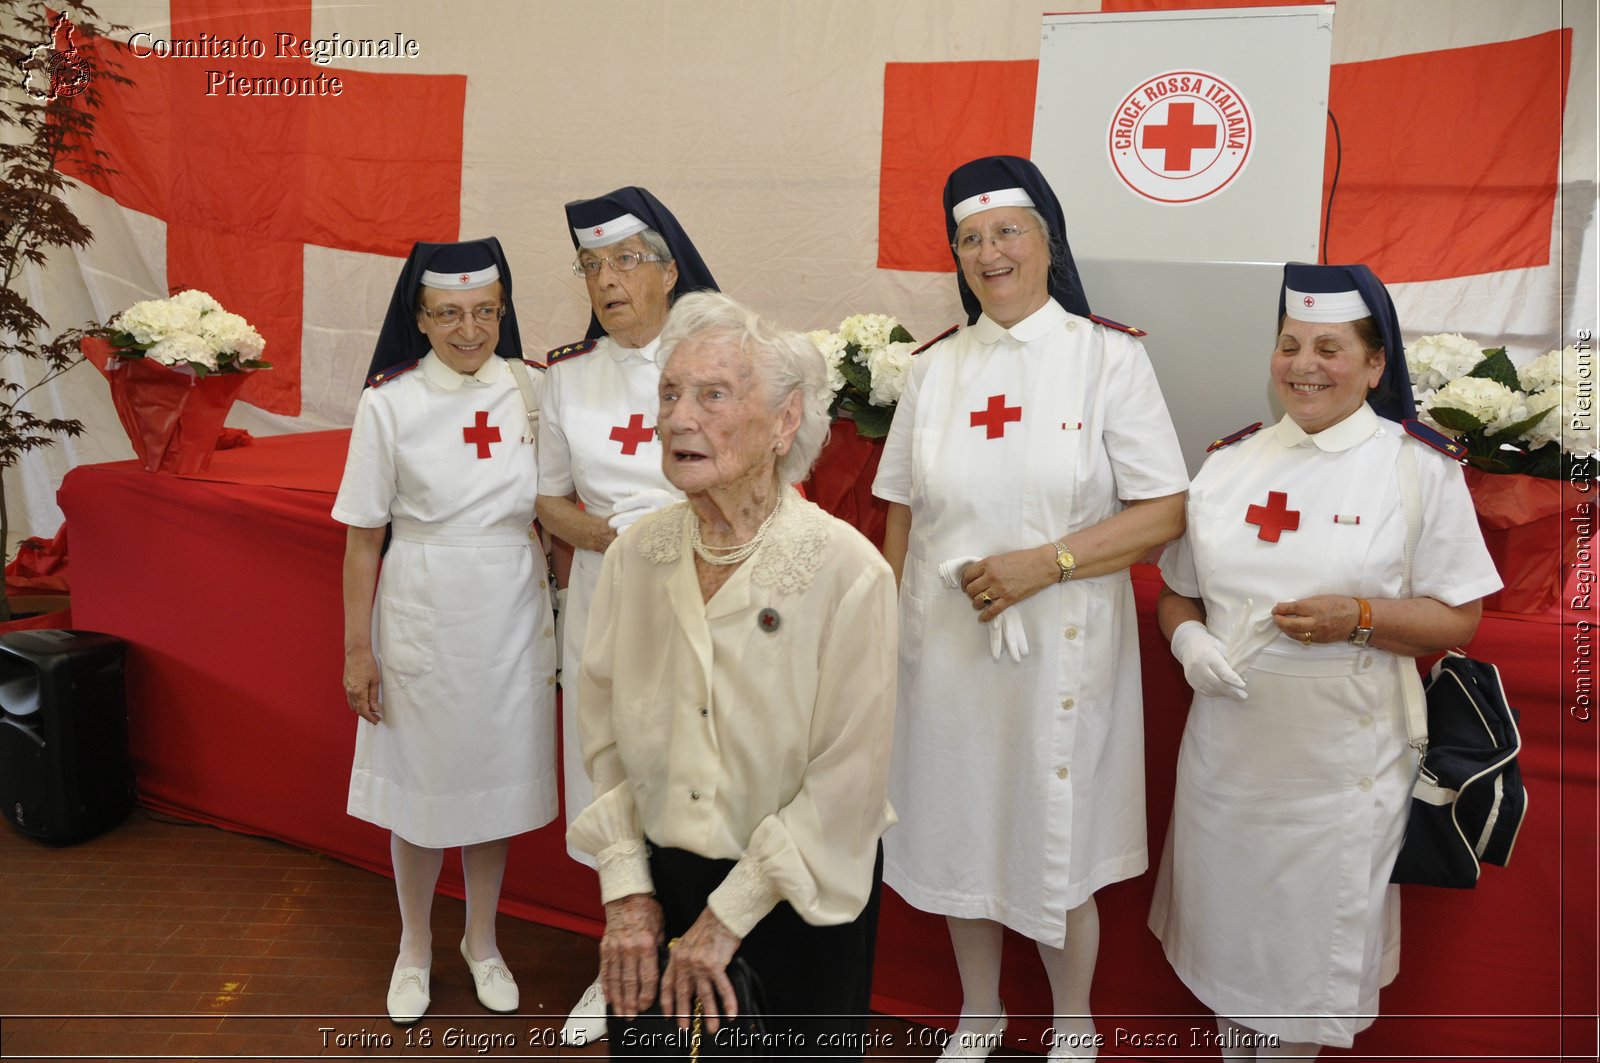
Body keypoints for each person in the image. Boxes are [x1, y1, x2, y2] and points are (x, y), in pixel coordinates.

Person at [873, 155, 1187, 1061]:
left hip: (1062, 642)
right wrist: (890, 637)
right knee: (959, 821)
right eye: (969, 239)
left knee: (1054, 832)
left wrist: (1042, 566)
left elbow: (1164, 512)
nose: (989, 252)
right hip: (948, 645)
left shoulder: (1108, 357)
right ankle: (980, 1009)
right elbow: (901, 513)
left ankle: (1074, 1016)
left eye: (1007, 231)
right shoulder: (933, 370)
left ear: (1048, 241)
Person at [1147, 263, 1501, 1059]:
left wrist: (1362, 618)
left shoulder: (1417, 468)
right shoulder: (1230, 464)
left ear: (1377, 365)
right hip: (1227, 764)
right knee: (1228, 954)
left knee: (1301, 976)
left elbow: (1462, 617)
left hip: (1341, 770)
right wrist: (1187, 640)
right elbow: (1179, 593)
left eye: (1330, 349)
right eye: (1290, 344)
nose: (1304, 365)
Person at [568, 290, 898, 1058]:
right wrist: (627, 894)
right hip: (660, 887)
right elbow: (601, 736)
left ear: (786, 422)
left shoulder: (848, 572)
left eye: (712, 395)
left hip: (797, 900)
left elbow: (847, 782)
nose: (679, 418)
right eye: (670, 394)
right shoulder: (634, 557)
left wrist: (724, 922)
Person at [333, 238, 558, 1026]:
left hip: (511, 608)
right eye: (451, 313)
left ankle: (482, 940)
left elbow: (559, 505)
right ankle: (415, 946)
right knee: (424, 790)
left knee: (488, 785)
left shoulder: (533, 390)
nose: (470, 329)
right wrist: (359, 649)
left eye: (485, 311)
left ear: (504, 311)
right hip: (421, 603)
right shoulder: (388, 402)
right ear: (420, 318)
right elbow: (364, 535)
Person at [536, 186, 720, 1045]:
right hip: (607, 602)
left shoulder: (716, 360)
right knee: (614, 777)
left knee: (702, 775)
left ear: (669, 269)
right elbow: (546, 500)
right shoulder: (565, 377)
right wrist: (613, 537)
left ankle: (705, 954)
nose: (607, 281)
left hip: (707, 597)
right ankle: (618, 960)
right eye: (591, 265)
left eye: (625, 260)